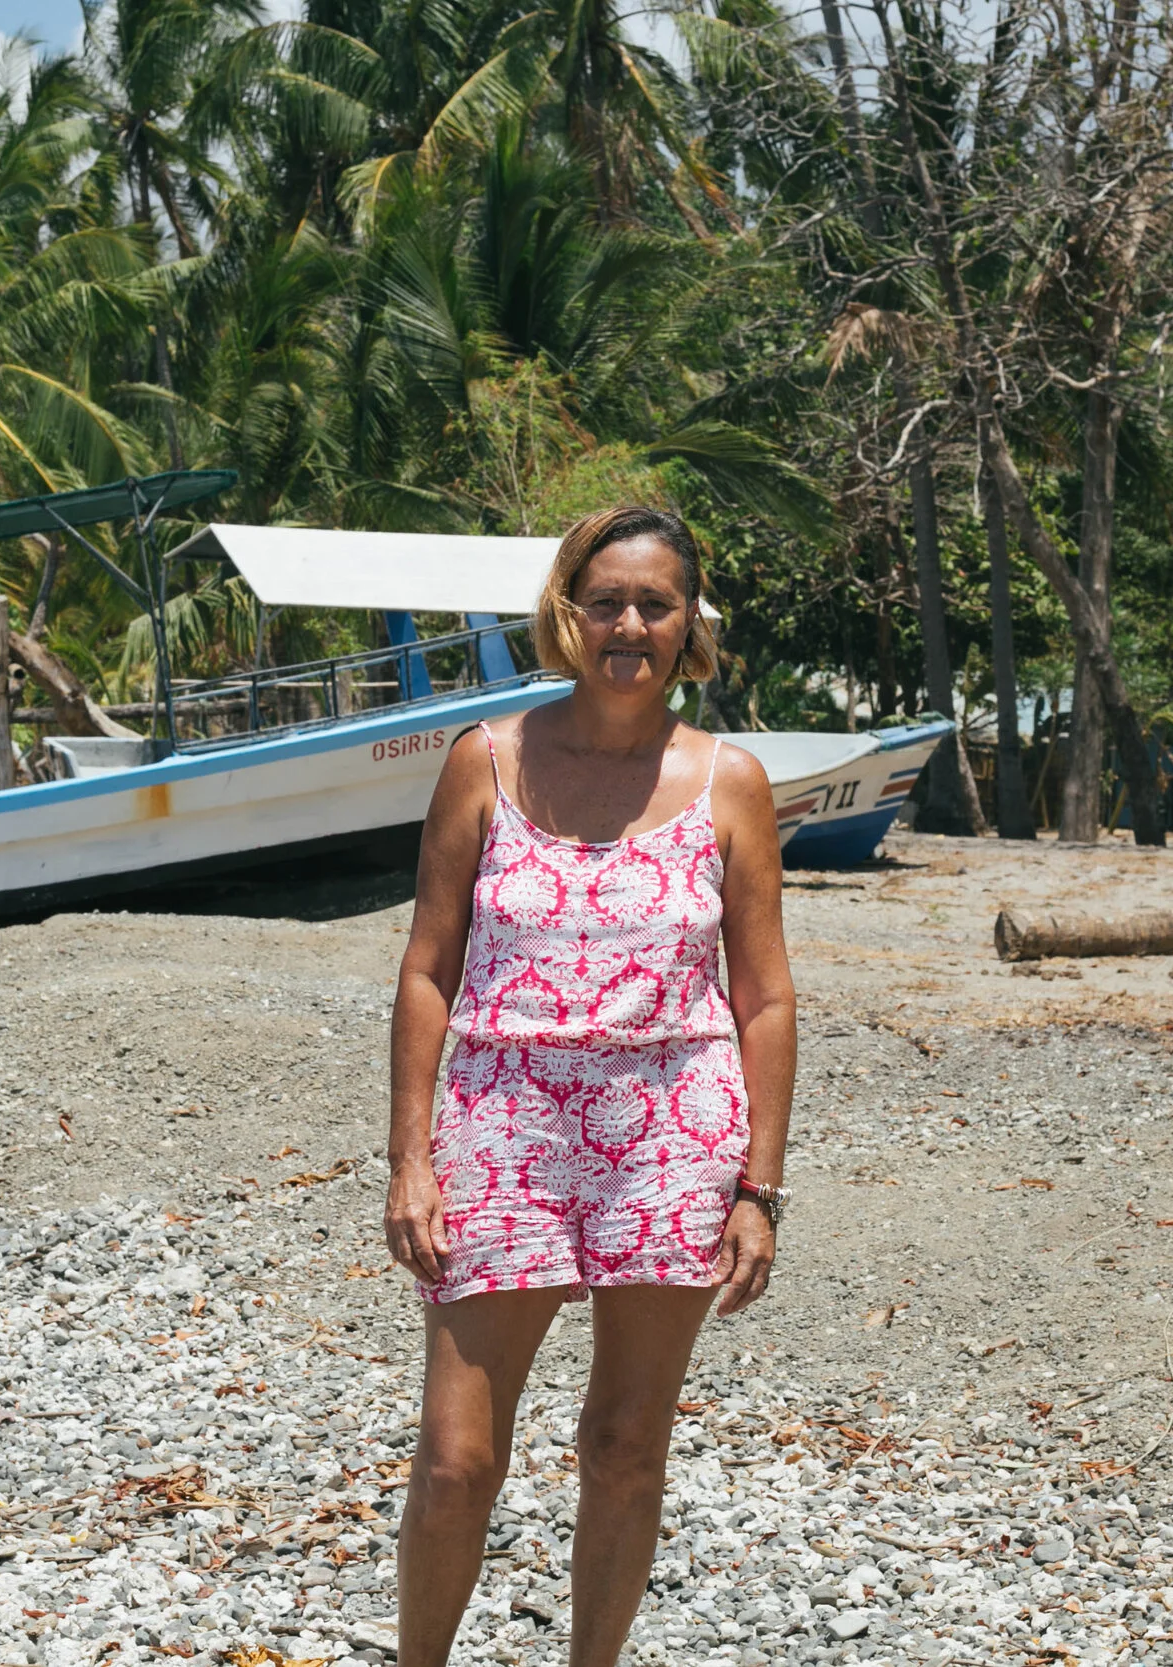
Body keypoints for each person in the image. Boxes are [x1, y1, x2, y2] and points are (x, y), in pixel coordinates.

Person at [383, 506, 798, 1666]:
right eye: (604, 600)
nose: (628, 625)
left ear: (687, 624)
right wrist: (411, 1157)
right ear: (566, 612)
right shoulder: (487, 759)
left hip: (670, 1142)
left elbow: (764, 997)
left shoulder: (732, 780)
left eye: (654, 604)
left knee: (624, 1444)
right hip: (498, 1129)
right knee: (458, 1455)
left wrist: (758, 1187)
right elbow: (427, 967)